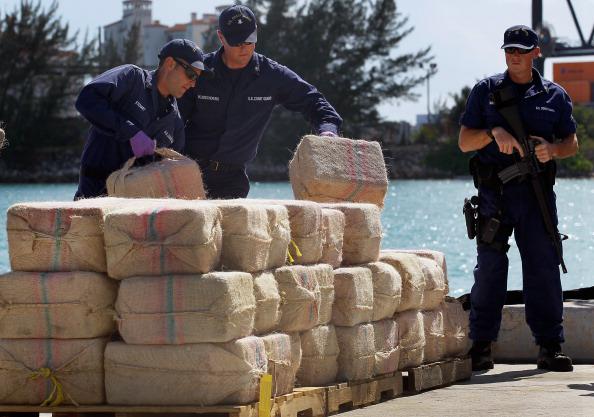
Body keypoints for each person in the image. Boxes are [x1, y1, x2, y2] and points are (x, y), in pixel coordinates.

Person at [459, 25, 579, 372]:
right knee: (491, 269)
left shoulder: (554, 96)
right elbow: (465, 141)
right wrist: (493, 133)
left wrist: (552, 150)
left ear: (535, 53)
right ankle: (481, 345)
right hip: (495, 194)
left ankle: (549, 347)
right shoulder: (485, 91)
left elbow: (572, 143)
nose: (514, 56)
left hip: (538, 195)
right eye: (509, 50)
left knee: (543, 266)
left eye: (521, 50)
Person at [179, 4, 342, 199]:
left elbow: (315, 102)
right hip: (187, 172)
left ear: (256, 33)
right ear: (221, 37)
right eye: (237, 42)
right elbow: (171, 112)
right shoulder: (199, 73)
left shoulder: (272, 76)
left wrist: (328, 131)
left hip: (232, 181)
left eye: (249, 41)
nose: (244, 48)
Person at [74, 39, 211, 199]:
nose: (193, 83)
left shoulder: (176, 124)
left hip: (135, 209)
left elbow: (170, 175)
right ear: (170, 63)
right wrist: (131, 132)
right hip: (93, 194)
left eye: (197, 78)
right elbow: (87, 99)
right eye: (191, 74)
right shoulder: (131, 78)